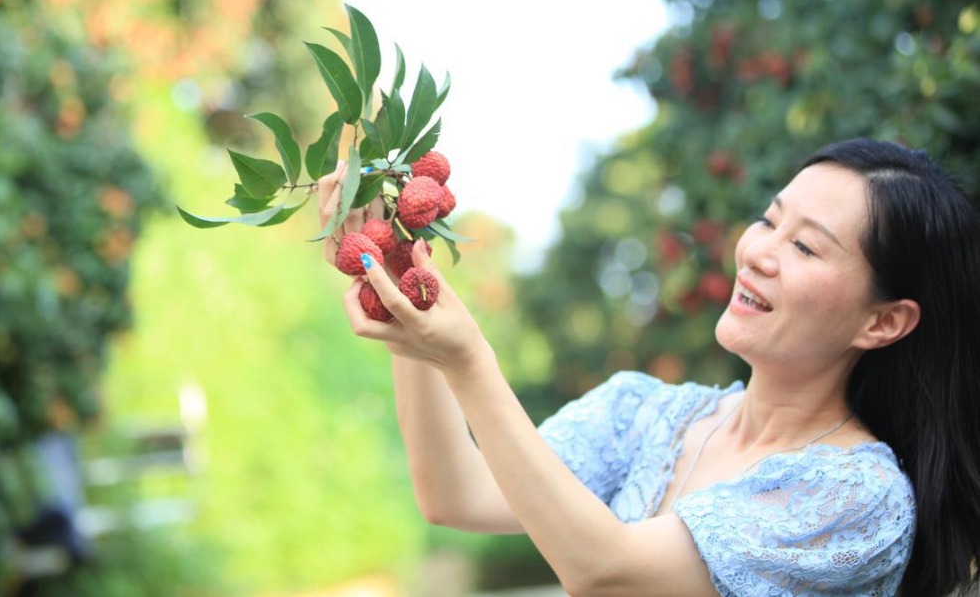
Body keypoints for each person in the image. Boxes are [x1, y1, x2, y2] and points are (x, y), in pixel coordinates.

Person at [317, 137, 980, 597]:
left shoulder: (858, 501)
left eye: (806, 246)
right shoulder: (643, 415)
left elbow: (606, 573)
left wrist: (470, 359)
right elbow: (457, 494)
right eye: (767, 221)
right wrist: (403, 275)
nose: (758, 253)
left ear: (883, 321)